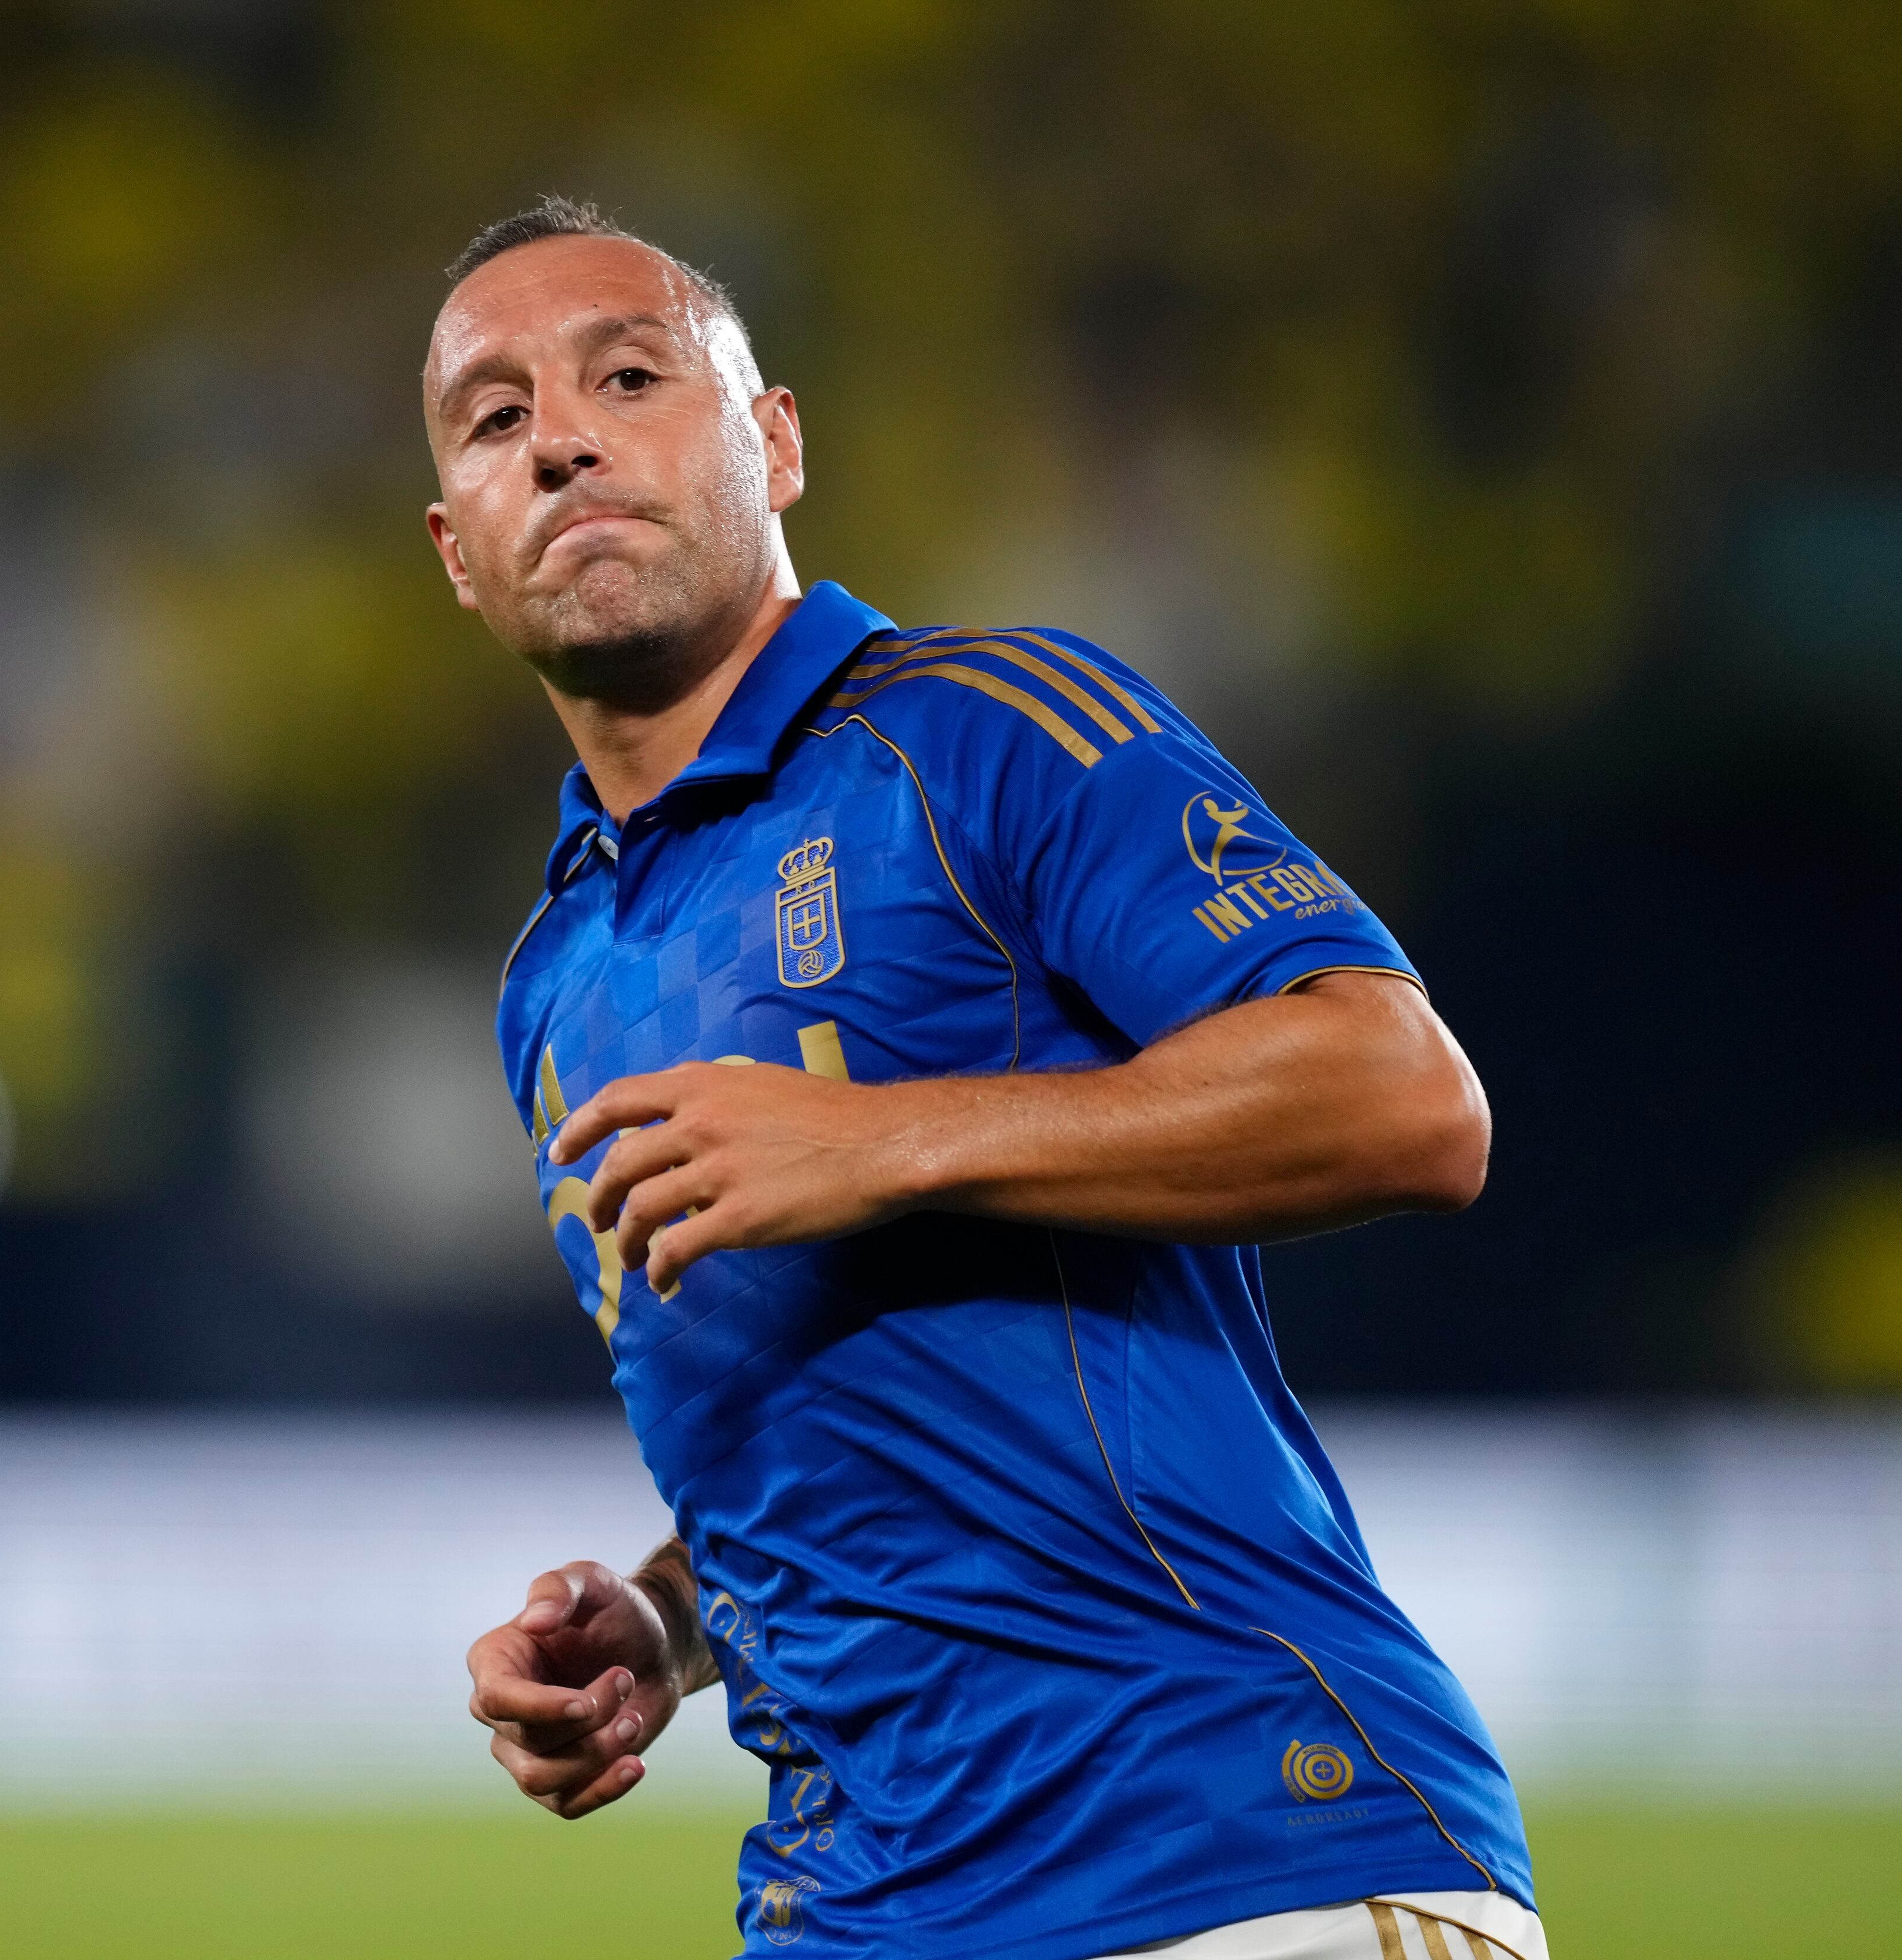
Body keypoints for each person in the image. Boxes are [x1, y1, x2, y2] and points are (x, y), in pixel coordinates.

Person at [429, 195, 1542, 1960]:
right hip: (857, 1906)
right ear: (457, 547)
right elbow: (849, 1445)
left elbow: (1404, 1098)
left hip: (1234, 1843)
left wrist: (884, 1142)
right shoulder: (556, 987)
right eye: (496, 420)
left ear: (773, 442)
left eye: (628, 377)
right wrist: (661, 1625)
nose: (559, 437)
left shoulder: (985, 728)